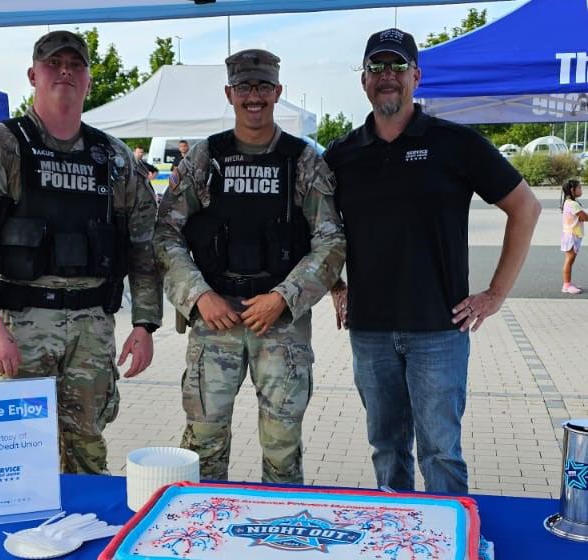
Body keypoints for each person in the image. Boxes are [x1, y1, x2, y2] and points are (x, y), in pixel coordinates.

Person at [324, 28, 541, 494]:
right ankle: (396, 537)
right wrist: (335, 286)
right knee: (386, 447)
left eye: (397, 66)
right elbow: (316, 230)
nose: (387, 76)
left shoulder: (455, 143)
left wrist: (495, 294)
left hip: (439, 331)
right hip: (371, 331)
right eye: (377, 67)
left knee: (441, 452)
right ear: (363, 79)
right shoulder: (342, 154)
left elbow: (526, 207)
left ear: (416, 76)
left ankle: (450, 541)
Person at [0, 30, 162, 475]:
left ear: (87, 80)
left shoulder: (113, 158)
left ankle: (87, 536)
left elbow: (143, 244)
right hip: (19, 329)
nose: (65, 71)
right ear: (33, 74)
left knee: (88, 448)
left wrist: (145, 323)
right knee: (20, 457)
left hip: (91, 330)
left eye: (75, 64)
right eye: (53, 63)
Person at [154, 49, 345, 483]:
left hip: (278, 324)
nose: (253, 96)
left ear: (277, 91)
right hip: (214, 320)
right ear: (229, 93)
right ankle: (199, 534)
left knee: (282, 445)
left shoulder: (303, 161)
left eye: (262, 86)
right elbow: (165, 233)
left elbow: (331, 241)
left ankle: (280, 534)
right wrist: (199, 296)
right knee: (203, 442)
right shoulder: (206, 159)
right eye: (244, 86)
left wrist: (284, 297)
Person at [560, 179, 587, 294]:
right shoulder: (573, 204)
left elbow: (581, 217)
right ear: (572, 190)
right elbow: (585, 217)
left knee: (570, 260)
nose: (581, 189)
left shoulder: (569, 202)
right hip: (572, 236)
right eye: (579, 187)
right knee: (569, 261)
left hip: (571, 234)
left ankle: (568, 283)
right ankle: (566, 285)